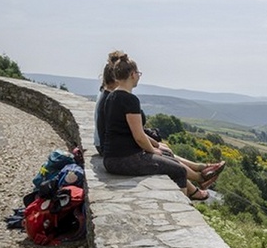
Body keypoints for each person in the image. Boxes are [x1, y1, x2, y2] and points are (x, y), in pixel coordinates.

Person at [96, 51, 225, 188]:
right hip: (125, 160)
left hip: (112, 158)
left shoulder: (111, 97)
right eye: (138, 74)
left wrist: (154, 148)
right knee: (179, 170)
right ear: (132, 74)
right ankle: (199, 182)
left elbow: (129, 132)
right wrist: (152, 150)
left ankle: (201, 177)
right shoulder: (130, 100)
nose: (138, 77)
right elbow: (139, 136)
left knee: (168, 157)